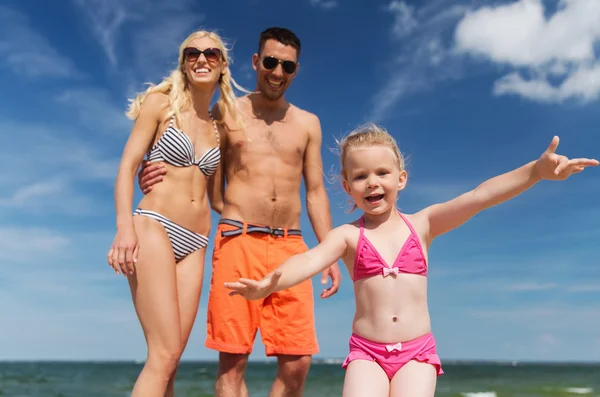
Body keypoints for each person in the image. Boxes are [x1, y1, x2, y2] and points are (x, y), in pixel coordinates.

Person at [224, 124, 598, 397]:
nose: (372, 182)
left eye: (382, 173)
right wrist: (268, 283)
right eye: (360, 176)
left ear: (400, 179)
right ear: (347, 186)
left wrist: (535, 171)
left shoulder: (424, 224)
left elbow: (481, 195)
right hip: (366, 353)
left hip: (416, 354)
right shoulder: (348, 235)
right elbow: (307, 261)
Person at [138, 27, 342, 397]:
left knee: (297, 363)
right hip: (238, 240)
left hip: (292, 247)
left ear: (296, 70)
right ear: (255, 62)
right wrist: (150, 169)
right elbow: (195, 165)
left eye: (287, 66)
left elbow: (314, 192)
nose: (277, 72)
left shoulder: (308, 123)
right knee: (233, 362)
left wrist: (328, 251)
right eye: (270, 62)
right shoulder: (225, 112)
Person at [107, 30, 242, 397]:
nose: (202, 59)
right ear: (184, 63)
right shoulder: (161, 104)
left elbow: (217, 197)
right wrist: (124, 228)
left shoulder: (219, 129)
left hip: (197, 240)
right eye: (192, 53)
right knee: (163, 355)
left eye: (211, 53)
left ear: (222, 65)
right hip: (154, 227)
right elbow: (126, 166)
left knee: (171, 361)